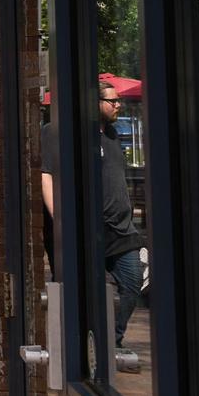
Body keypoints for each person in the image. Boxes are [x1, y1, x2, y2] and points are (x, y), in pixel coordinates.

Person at [39, 79, 145, 372]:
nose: (118, 106)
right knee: (86, 291)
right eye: (113, 102)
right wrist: (59, 218)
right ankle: (86, 348)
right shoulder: (56, 132)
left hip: (122, 230)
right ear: (93, 104)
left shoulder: (111, 135)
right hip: (82, 231)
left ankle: (111, 342)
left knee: (133, 283)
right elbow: (45, 176)